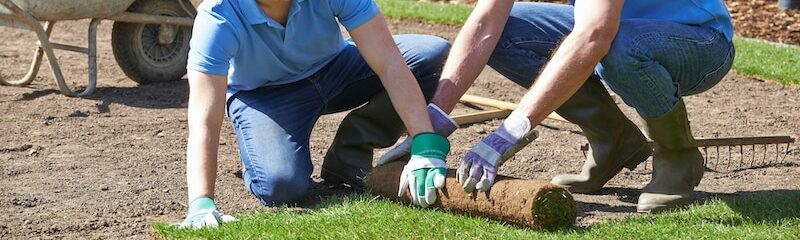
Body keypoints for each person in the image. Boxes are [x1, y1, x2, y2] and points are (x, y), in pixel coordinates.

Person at [381, 0, 734, 213]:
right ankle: (613, 141)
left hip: (699, 41)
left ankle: (677, 154)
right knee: (508, 27)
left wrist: (509, 132)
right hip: (616, 32)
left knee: (620, 46)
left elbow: (596, 34)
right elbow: (487, 21)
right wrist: (432, 126)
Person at [180, 0, 454, 228]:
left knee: (432, 56)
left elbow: (389, 62)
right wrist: (201, 201)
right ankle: (256, 156)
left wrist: (425, 142)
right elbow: (204, 120)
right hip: (264, 95)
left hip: (336, 68)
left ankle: (350, 151)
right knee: (281, 187)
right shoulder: (218, 16)